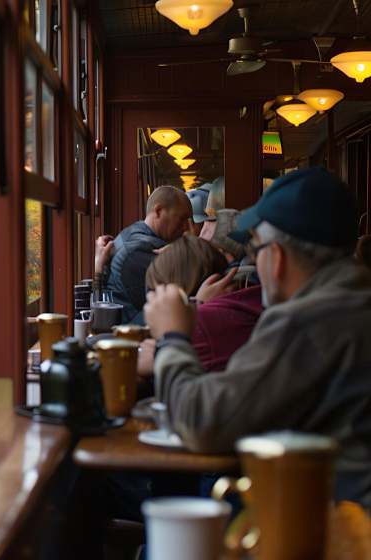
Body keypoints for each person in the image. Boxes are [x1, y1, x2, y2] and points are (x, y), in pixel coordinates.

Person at [144, 167, 371, 507]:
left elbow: (203, 421)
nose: (252, 260)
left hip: (337, 529)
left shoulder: (308, 322)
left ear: (276, 258)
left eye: (257, 249)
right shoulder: (354, 300)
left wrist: (173, 337)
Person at [144, 235, 263, 372]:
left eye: (161, 293)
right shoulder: (248, 298)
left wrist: (197, 306)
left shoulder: (200, 324)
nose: (157, 302)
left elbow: (177, 383)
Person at [106, 185, 193, 325]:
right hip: (129, 337)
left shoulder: (130, 234)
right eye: (182, 219)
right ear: (158, 211)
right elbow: (188, 289)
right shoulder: (142, 249)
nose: (186, 228)